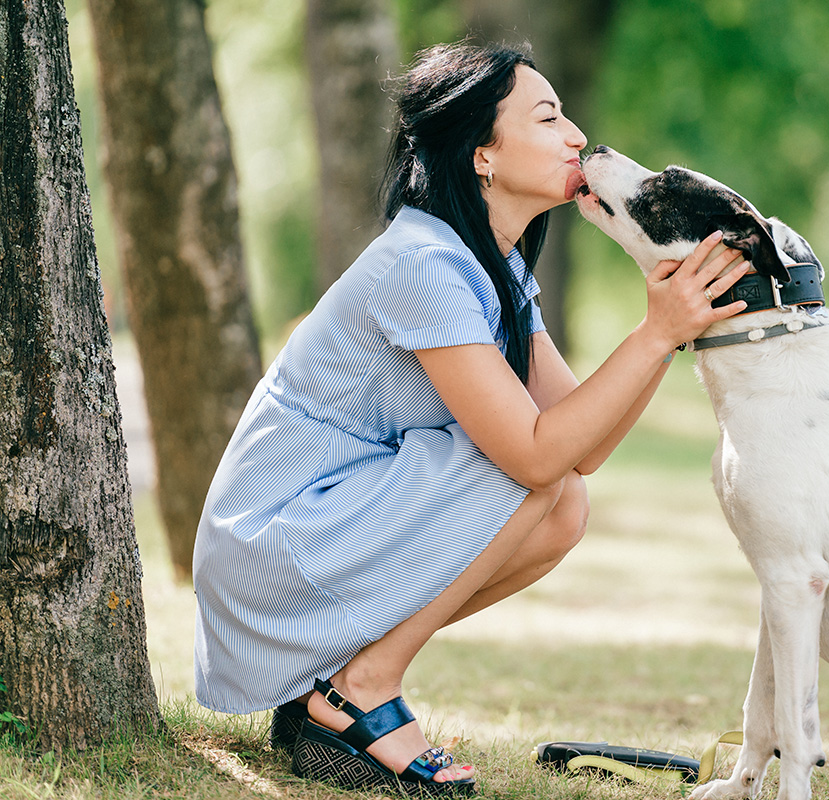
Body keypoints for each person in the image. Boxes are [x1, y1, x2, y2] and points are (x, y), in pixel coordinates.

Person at [191, 41, 750, 796]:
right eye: (548, 118)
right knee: (531, 476)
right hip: (273, 545)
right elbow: (534, 453)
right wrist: (654, 333)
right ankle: (362, 685)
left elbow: (581, 447)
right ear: (482, 153)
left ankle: (332, 687)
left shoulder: (490, 264)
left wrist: (666, 333)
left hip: (325, 528)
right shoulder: (423, 264)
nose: (577, 136)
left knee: (562, 505)